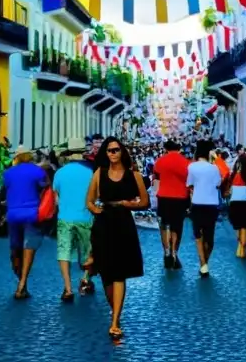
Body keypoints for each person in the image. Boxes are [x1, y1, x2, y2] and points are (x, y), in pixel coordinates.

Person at [86, 136, 148, 340]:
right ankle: (115, 310)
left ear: (122, 152)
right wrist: (97, 211)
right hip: (104, 223)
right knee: (106, 274)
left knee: (119, 273)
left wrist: (130, 205)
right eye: (109, 150)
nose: (112, 153)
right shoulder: (99, 173)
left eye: (116, 150)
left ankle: (115, 322)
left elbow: (145, 202)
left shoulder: (134, 175)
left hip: (123, 223)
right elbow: (90, 201)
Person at [2, 144, 47, 299]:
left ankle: (21, 281)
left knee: (15, 249)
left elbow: (6, 190)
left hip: (13, 214)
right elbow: (45, 187)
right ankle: (22, 283)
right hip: (31, 214)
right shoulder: (37, 171)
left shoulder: (8, 173)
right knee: (28, 247)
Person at [53, 137, 95, 301]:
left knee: (64, 252)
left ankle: (68, 288)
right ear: (83, 154)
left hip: (65, 217)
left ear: (68, 153)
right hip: (85, 217)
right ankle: (85, 279)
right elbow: (95, 196)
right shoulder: (90, 172)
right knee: (87, 252)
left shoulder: (60, 173)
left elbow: (56, 198)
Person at [187, 140, 222, 277]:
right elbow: (218, 184)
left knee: (198, 235)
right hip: (211, 203)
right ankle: (205, 262)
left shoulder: (192, 167)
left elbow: (189, 184)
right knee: (210, 236)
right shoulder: (214, 168)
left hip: (197, 202)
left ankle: (203, 264)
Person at [153, 139, 190, 270]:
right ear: (179, 148)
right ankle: (174, 253)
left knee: (164, 225)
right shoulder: (185, 162)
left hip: (164, 197)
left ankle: (167, 251)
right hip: (180, 197)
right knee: (177, 227)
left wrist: (155, 196)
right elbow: (189, 182)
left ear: (166, 149)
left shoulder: (160, 161)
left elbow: (156, 181)